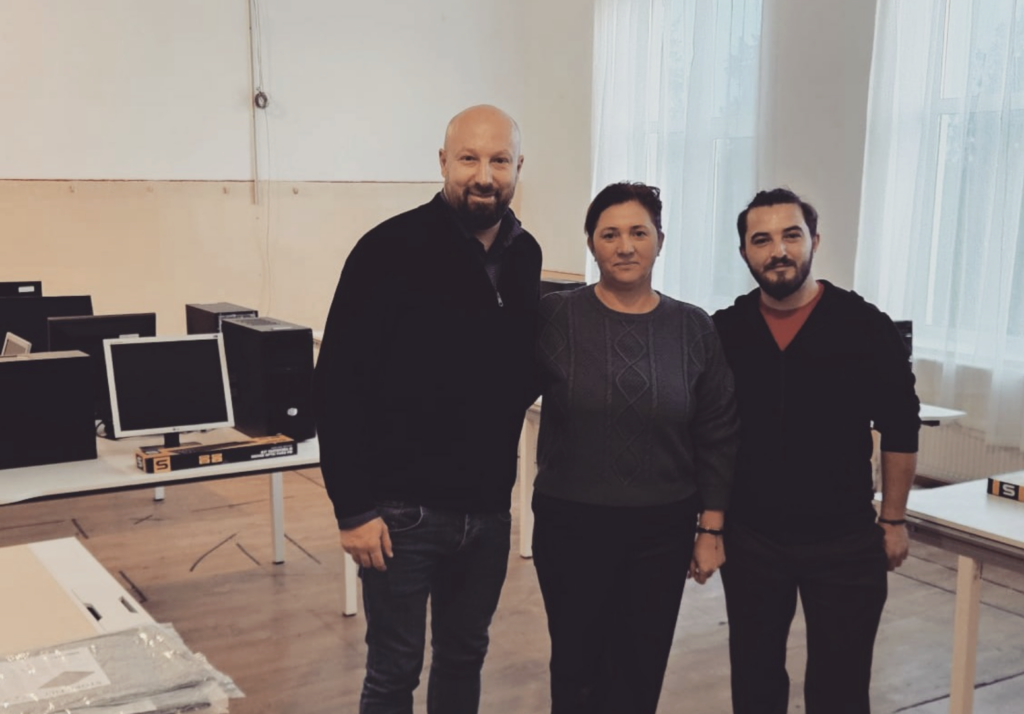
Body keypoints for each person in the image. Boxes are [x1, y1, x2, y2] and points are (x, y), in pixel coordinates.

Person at [314, 105, 542, 714]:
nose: (484, 176)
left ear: (518, 166)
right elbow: (337, 384)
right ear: (443, 162)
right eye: (469, 158)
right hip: (401, 514)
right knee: (394, 671)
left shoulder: (526, 255)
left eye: (499, 160)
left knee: (464, 658)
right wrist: (353, 508)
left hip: (487, 513)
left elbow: (513, 368)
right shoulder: (387, 249)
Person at [532, 182, 738, 714]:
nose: (625, 246)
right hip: (570, 526)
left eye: (638, 233)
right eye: (610, 234)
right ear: (592, 244)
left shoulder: (693, 327)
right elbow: (497, 392)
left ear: (660, 241)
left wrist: (711, 528)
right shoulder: (556, 317)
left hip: (661, 532)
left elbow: (717, 431)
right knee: (575, 669)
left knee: (639, 672)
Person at [712, 188, 921, 714]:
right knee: (755, 685)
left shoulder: (864, 325)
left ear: (815, 241)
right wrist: (709, 527)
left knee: (840, 690)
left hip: (845, 541)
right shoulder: (726, 330)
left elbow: (900, 424)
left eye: (791, 235)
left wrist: (894, 519)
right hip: (752, 540)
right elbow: (708, 431)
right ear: (744, 252)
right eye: (761, 240)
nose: (778, 251)